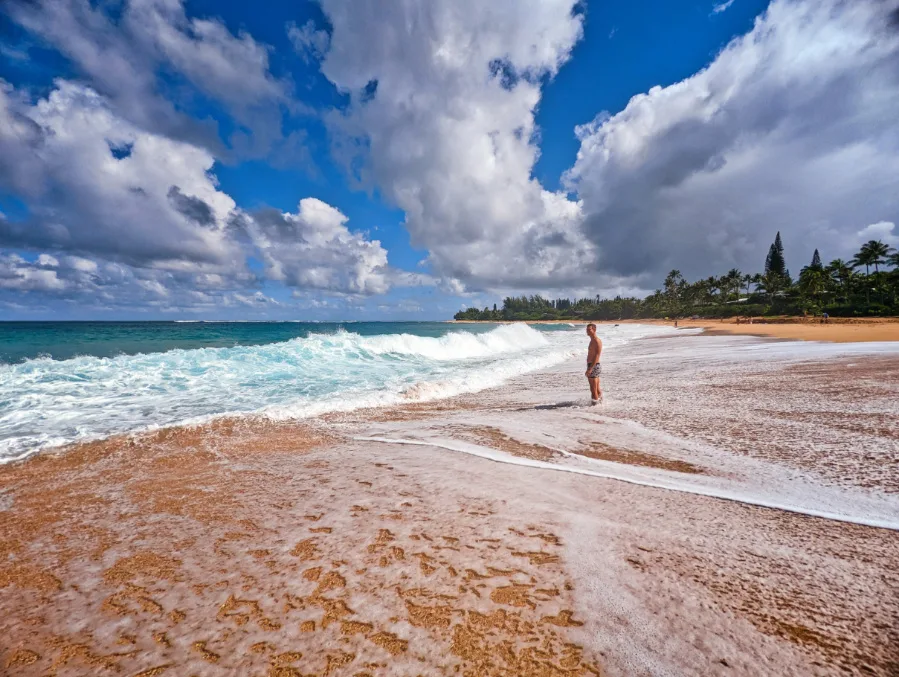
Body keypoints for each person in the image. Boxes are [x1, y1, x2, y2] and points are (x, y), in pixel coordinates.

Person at [585, 323, 603, 404]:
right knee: (596, 388)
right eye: (587, 330)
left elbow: (597, 355)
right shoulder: (592, 340)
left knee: (593, 388)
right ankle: (601, 402)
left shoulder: (596, 341)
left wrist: (590, 368)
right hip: (592, 365)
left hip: (594, 366)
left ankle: (595, 406)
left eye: (589, 330)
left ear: (594, 330)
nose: (587, 331)